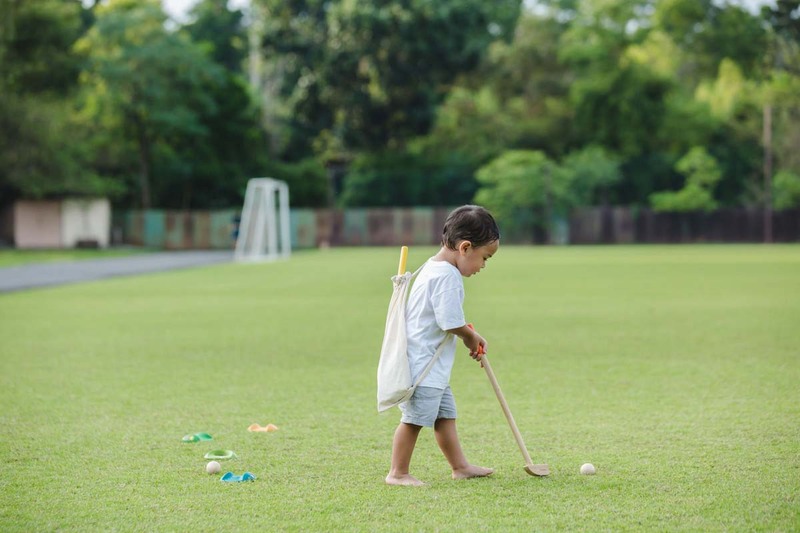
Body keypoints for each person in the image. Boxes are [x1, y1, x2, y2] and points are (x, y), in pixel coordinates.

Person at [385, 205, 500, 486]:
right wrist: (470, 336)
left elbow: (443, 317)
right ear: (465, 247)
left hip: (430, 364)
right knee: (413, 420)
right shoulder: (447, 277)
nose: (483, 266)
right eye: (484, 258)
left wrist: (468, 332)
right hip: (423, 366)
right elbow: (449, 321)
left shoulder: (432, 267)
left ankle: (460, 466)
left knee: (445, 415)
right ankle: (397, 473)